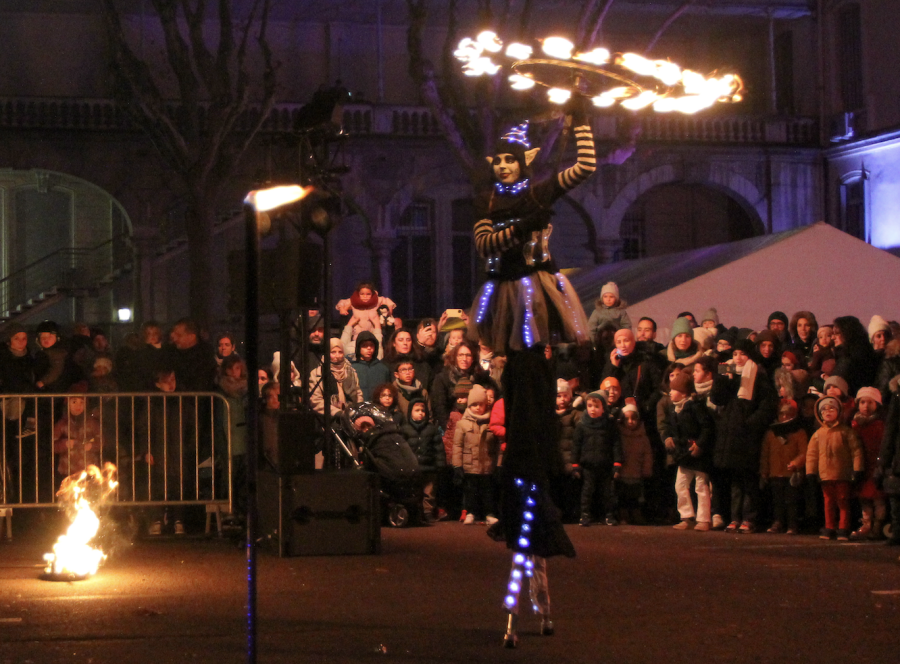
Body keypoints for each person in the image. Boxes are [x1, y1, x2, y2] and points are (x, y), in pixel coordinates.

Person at [468, 111, 598, 647]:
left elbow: (585, 166)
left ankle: (537, 601)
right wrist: (520, 222)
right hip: (506, 292)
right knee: (519, 358)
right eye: (494, 159)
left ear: (523, 160)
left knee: (533, 350)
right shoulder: (492, 205)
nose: (500, 165)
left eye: (508, 158)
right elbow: (485, 246)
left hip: (534, 292)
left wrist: (581, 120)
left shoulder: (541, 188)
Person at [710, 339, 778, 534]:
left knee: (749, 480)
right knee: (735, 481)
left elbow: (767, 405)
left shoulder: (759, 376)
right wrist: (722, 378)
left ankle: (749, 518)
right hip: (730, 435)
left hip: (748, 436)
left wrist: (750, 424)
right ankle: (735, 517)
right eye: (735, 354)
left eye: (742, 354)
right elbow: (716, 398)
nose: (738, 358)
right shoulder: (729, 374)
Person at [806, 395, 864, 541]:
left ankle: (843, 528)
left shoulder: (846, 432)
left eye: (832, 408)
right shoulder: (818, 434)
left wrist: (857, 469)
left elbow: (856, 451)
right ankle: (829, 526)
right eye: (824, 409)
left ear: (838, 411)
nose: (828, 411)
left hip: (842, 473)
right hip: (825, 475)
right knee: (828, 502)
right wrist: (811, 472)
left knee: (843, 501)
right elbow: (812, 455)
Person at [665, 373, 714, 531]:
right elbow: (673, 429)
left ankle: (704, 519)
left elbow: (707, 427)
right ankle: (686, 516)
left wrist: (700, 444)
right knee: (681, 485)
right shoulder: (676, 409)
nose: (670, 392)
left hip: (697, 454)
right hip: (684, 454)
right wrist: (670, 438)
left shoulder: (695, 407)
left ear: (684, 392)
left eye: (674, 389)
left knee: (701, 486)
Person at [573, 389, 621, 527]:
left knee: (607, 493)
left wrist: (617, 463)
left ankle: (609, 515)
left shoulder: (609, 425)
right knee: (587, 492)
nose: (592, 409)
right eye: (589, 406)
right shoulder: (582, 425)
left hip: (605, 464)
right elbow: (576, 445)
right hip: (588, 465)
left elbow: (616, 444)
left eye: (596, 406)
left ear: (603, 408)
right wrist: (575, 464)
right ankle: (585, 515)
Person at [759, 399, 808, 534]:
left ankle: (792, 524)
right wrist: (764, 471)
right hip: (775, 473)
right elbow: (765, 453)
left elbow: (804, 452)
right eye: (782, 414)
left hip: (791, 473)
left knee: (791, 501)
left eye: (788, 414)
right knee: (777, 501)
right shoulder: (771, 433)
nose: (785, 417)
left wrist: (796, 463)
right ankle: (778, 521)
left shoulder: (799, 432)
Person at [452, 384, 498, 525]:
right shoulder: (462, 424)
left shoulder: (491, 423)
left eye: (481, 404)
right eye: (474, 404)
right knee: (471, 492)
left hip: (487, 464)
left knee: (487, 492)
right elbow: (457, 446)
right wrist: (457, 465)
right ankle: (471, 512)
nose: (478, 408)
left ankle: (489, 513)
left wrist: (498, 464)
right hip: (469, 465)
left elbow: (496, 446)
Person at [400, 397, 444, 523]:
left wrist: (440, 464)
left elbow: (438, 448)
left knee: (428, 493)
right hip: (413, 468)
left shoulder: (431, 429)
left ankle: (428, 512)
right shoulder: (405, 429)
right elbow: (402, 449)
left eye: (423, 410)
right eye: (417, 410)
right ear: (410, 412)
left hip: (429, 468)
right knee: (414, 492)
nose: (420, 413)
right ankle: (415, 513)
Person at [850, 387, 885, 539]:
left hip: (875, 465)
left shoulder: (879, 424)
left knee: (878, 498)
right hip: (862, 466)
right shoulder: (855, 425)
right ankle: (866, 524)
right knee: (864, 498)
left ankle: (878, 526)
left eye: (870, 402)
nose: (866, 405)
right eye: (862, 402)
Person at [616, 403, 653, 524]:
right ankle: (624, 515)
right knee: (623, 495)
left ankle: (636, 514)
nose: (630, 422)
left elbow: (647, 454)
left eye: (633, 418)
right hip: (622, 472)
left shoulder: (642, 436)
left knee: (635, 495)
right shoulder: (620, 435)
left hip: (637, 472)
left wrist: (647, 469)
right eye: (627, 419)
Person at [310, 338, 363, 418]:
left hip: (351, 416)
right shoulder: (317, 373)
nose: (337, 355)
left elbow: (358, 394)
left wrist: (357, 412)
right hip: (328, 419)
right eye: (333, 352)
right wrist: (337, 413)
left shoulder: (351, 371)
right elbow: (316, 400)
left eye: (340, 352)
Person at [351, 331, 390, 404]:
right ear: (358, 348)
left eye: (372, 345)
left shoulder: (383, 369)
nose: (369, 348)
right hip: (358, 407)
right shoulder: (352, 368)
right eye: (365, 345)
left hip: (379, 407)